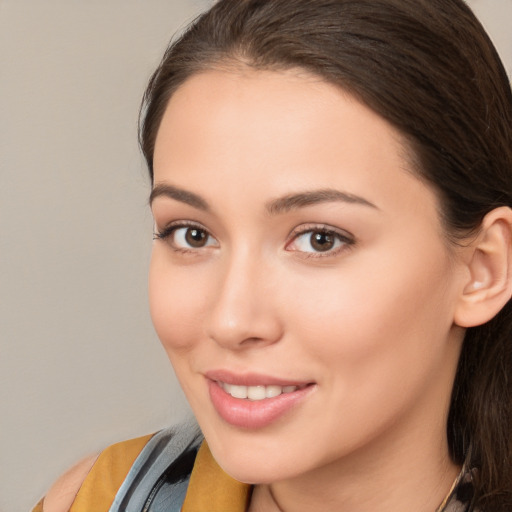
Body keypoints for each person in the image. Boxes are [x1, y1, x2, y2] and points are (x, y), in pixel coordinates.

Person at [35, 0, 512, 510]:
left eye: (319, 239)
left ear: (482, 270)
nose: (232, 319)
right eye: (192, 234)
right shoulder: (102, 499)